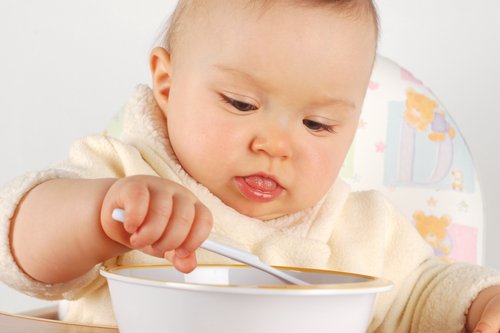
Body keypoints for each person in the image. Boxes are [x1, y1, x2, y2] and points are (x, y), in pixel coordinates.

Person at [1, 0, 499, 332]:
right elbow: (20, 248)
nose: (276, 145)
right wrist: (98, 216)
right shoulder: (122, 172)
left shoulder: (362, 229)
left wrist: (482, 304)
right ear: (168, 85)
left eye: (318, 124)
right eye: (241, 104)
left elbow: (423, 295)